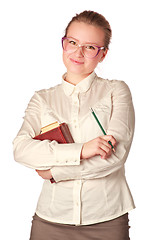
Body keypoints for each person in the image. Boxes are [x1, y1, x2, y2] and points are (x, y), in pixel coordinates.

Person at [13, 10, 135, 240]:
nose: (78, 53)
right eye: (72, 42)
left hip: (107, 219)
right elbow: (21, 149)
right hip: (50, 219)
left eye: (90, 47)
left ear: (103, 54)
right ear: (64, 44)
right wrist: (82, 149)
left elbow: (116, 155)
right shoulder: (42, 99)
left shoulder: (116, 91)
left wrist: (53, 172)